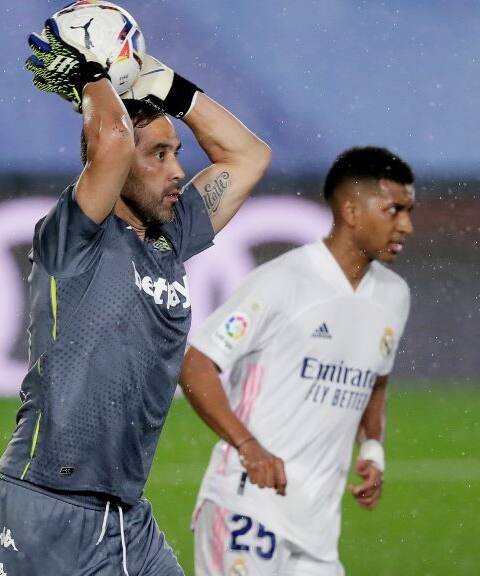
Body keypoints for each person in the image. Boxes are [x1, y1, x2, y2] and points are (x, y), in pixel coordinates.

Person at [0, 17, 270, 576]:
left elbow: (248, 157)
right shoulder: (72, 238)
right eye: (159, 156)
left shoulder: (171, 238)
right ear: (116, 169)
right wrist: (91, 75)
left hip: (127, 520)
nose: (178, 170)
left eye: (178, 153)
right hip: (46, 510)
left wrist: (163, 83)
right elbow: (115, 141)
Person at [180, 146, 415, 575]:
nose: (407, 225)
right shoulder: (282, 281)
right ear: (352, 210)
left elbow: (375, 379)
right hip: (246, 509)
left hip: (318, 533)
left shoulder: (394, 296)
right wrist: (248, 446)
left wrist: (374, 447)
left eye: (409, 211)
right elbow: (196, 363)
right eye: (394, 209)